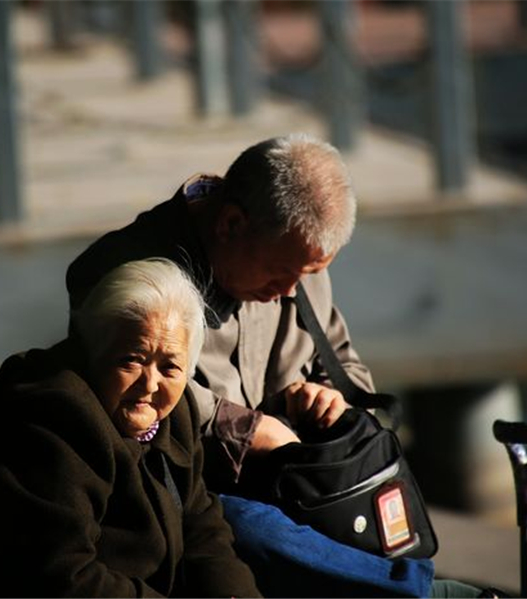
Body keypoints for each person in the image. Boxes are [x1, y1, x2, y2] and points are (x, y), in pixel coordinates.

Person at [0, 259, 262, 598]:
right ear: (91, 348)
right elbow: (61, 577)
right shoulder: (54, 416)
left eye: (169, 366)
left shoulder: (176, 408)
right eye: (130, 359)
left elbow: (202, 525)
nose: (150, 384)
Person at [67, 133, 372, 490]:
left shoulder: (294, 255)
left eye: (309, 274)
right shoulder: (118, 271)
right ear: (230, 225)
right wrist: (246, 429)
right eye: (281, 271)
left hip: (299, 483)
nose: (290, 290)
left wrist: (330, 400)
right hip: (192, 493)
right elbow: (132, 395)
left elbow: (349, 373)